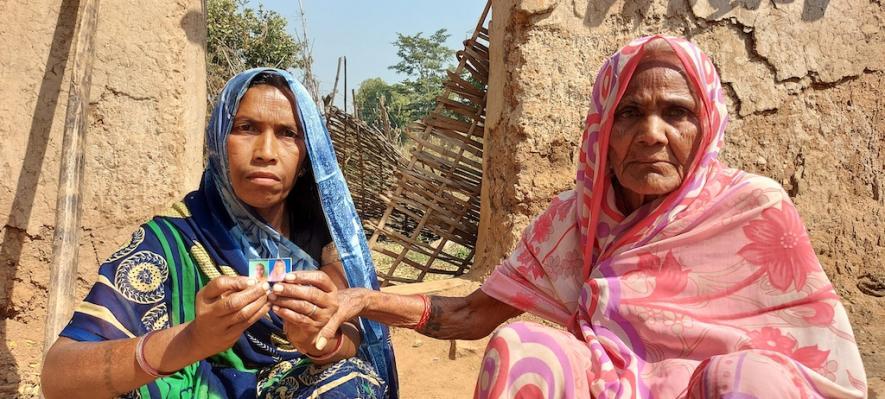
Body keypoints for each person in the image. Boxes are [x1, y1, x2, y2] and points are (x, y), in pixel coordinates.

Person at [304, 35, 868, 398]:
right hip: (611, 387)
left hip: (719, 390)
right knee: (524, 348)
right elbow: (472, 316)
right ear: (603, 130)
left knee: (752, 378)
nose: (652, 133)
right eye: (630, 113)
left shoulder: (754, 209)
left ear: (707, 127)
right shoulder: (576, 222)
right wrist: (362, 300)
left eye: (677, 113)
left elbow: (815, 363)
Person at [41, 69, 397, 399]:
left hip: (289, 388)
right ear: (217, 139)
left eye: (288, 134)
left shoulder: (325, 236)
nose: (266, 153)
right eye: (246, 127)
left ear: (307, 156)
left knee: (351, 381)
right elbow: (59, 375)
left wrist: (320, 341)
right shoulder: (173, 240)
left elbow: (353, 333)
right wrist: (192, 339)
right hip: (195, 389)